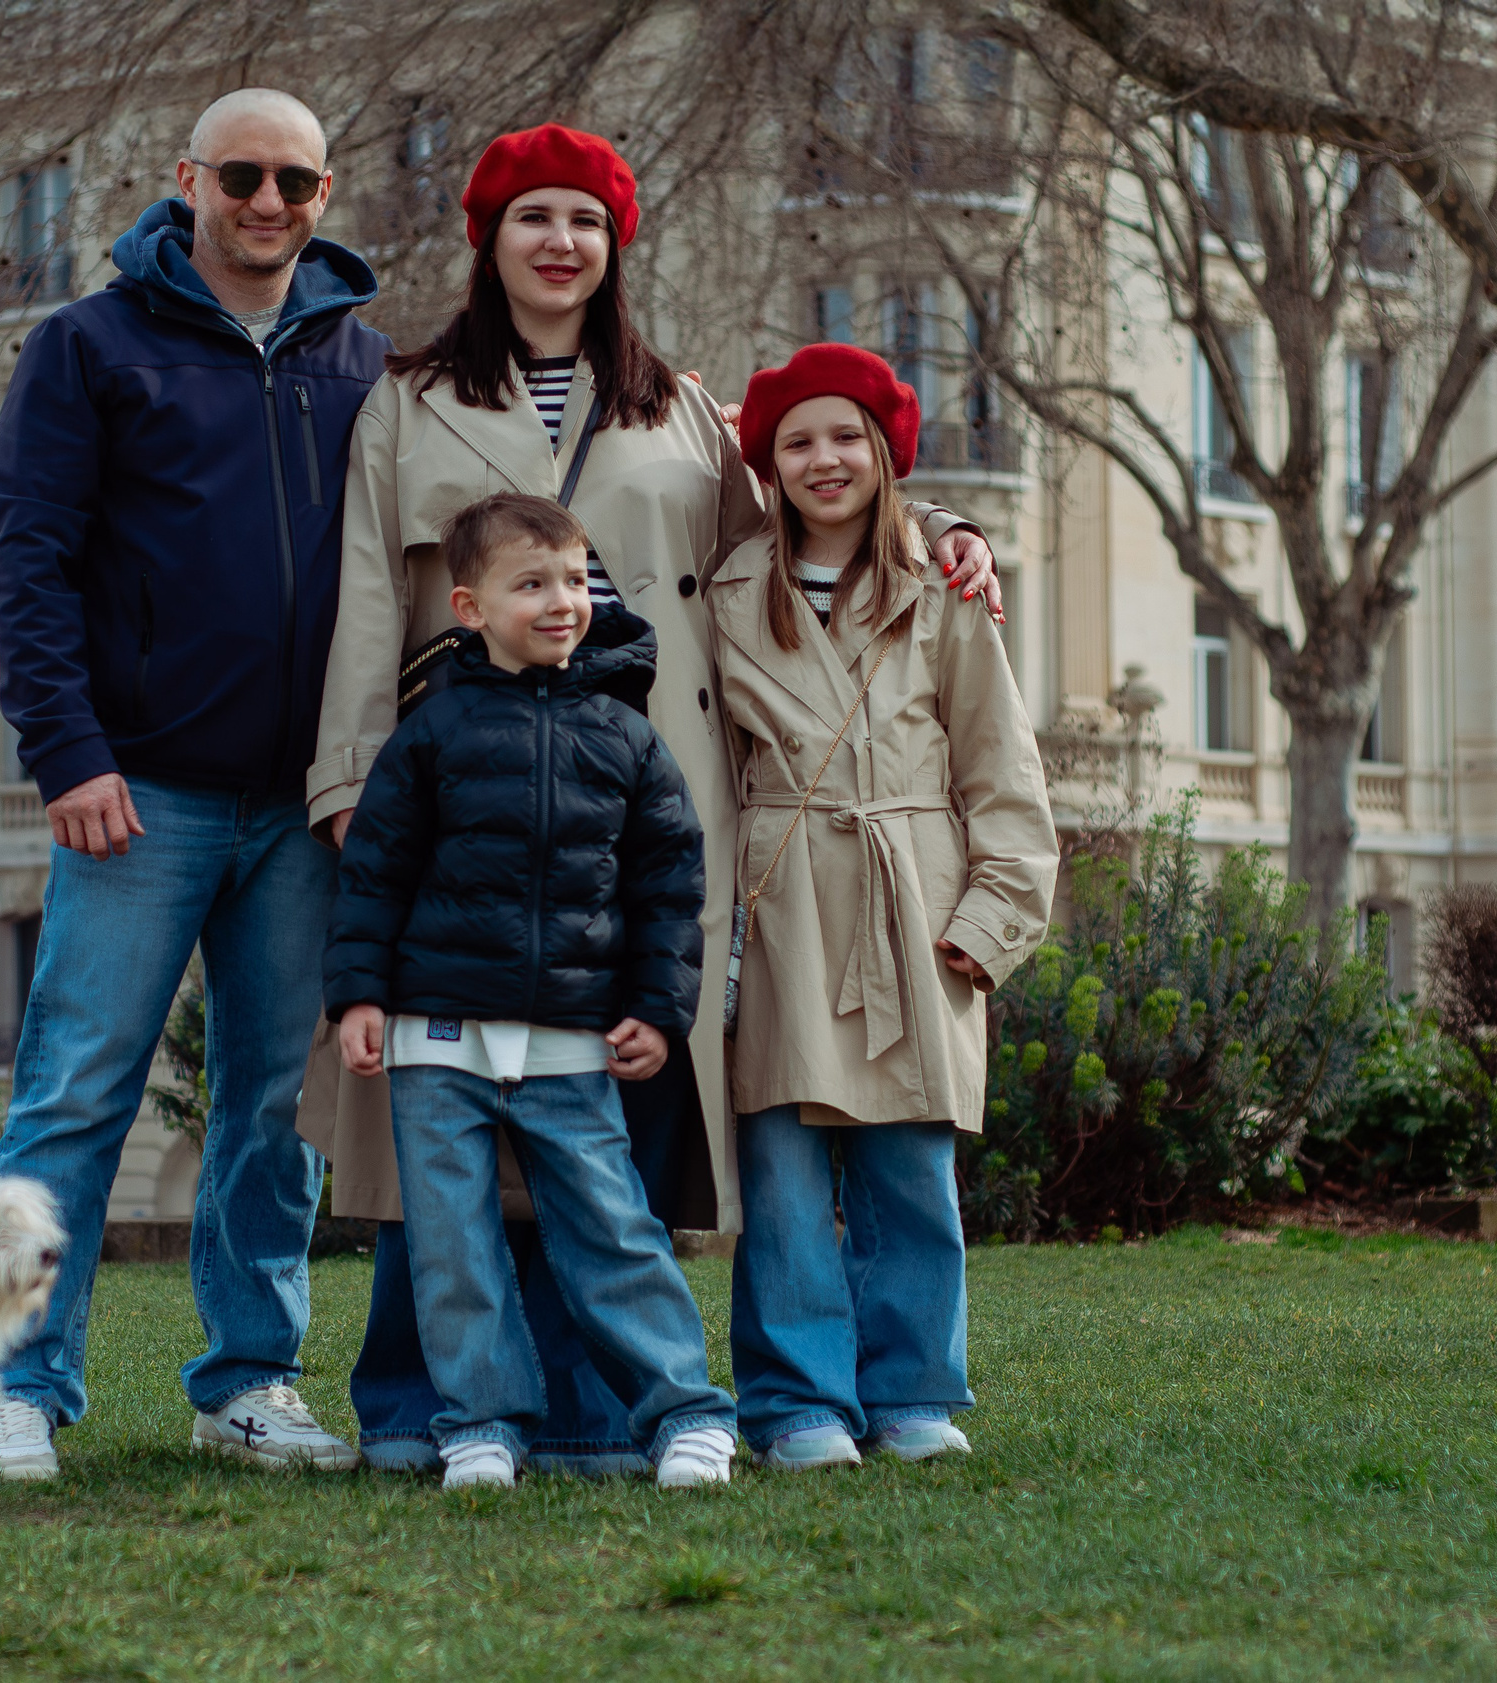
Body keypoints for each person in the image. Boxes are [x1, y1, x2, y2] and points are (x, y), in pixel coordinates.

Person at [299, 121, 1006, 1475]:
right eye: (530, 217)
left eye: (584, 218)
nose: (559, 241)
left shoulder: (678, 406)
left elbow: (800, 542)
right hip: (464, 796)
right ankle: (424, 1405)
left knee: (612, 1086)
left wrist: (946, 532)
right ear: (487, 239)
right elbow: (362, 601)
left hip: (651, 800)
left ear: (614, 242)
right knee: (441, 1111)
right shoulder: (407, 398)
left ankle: (612, 1402)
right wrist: (351, 776)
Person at [0, 88, 390, 1479]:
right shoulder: (88, 346)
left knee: (276, 1108)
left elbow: (534, 473)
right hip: (137, 793)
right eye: (241, 176)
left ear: (325, 193)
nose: (267, 202)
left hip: (306, 806)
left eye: (294, 180)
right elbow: (27, 561)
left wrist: (919, 514)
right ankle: (14, 1378)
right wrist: (69, 752)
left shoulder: (366, 364)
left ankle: (249, 1382)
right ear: (187, 179)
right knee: (72, 1095)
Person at [325, 492, 739, 1490]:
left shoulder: (628, 737)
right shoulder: (428, 734)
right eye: (532, 584)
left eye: (574, 579)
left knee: (612, 1230)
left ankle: (686, 1414)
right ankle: (479, 1426)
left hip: (572, 1042)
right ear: (468, 607)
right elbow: (373, 871)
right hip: (435, 1039)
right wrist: (359, 997)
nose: (562, 601)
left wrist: (658, 1007)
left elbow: (670, 885)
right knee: (454, 1248)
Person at [709, 343, 1057, 1471]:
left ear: (886, 454)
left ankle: (911, 1391)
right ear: (764, 461)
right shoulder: (721, 591)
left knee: (911, 1164)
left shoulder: (942, 591)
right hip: (775, 903)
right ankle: (795, 1402)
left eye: (848, 437)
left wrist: (989, 922)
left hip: (915, 904)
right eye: (798, 440)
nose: (824, 460)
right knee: (782, 1170)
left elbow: (1002, 773)